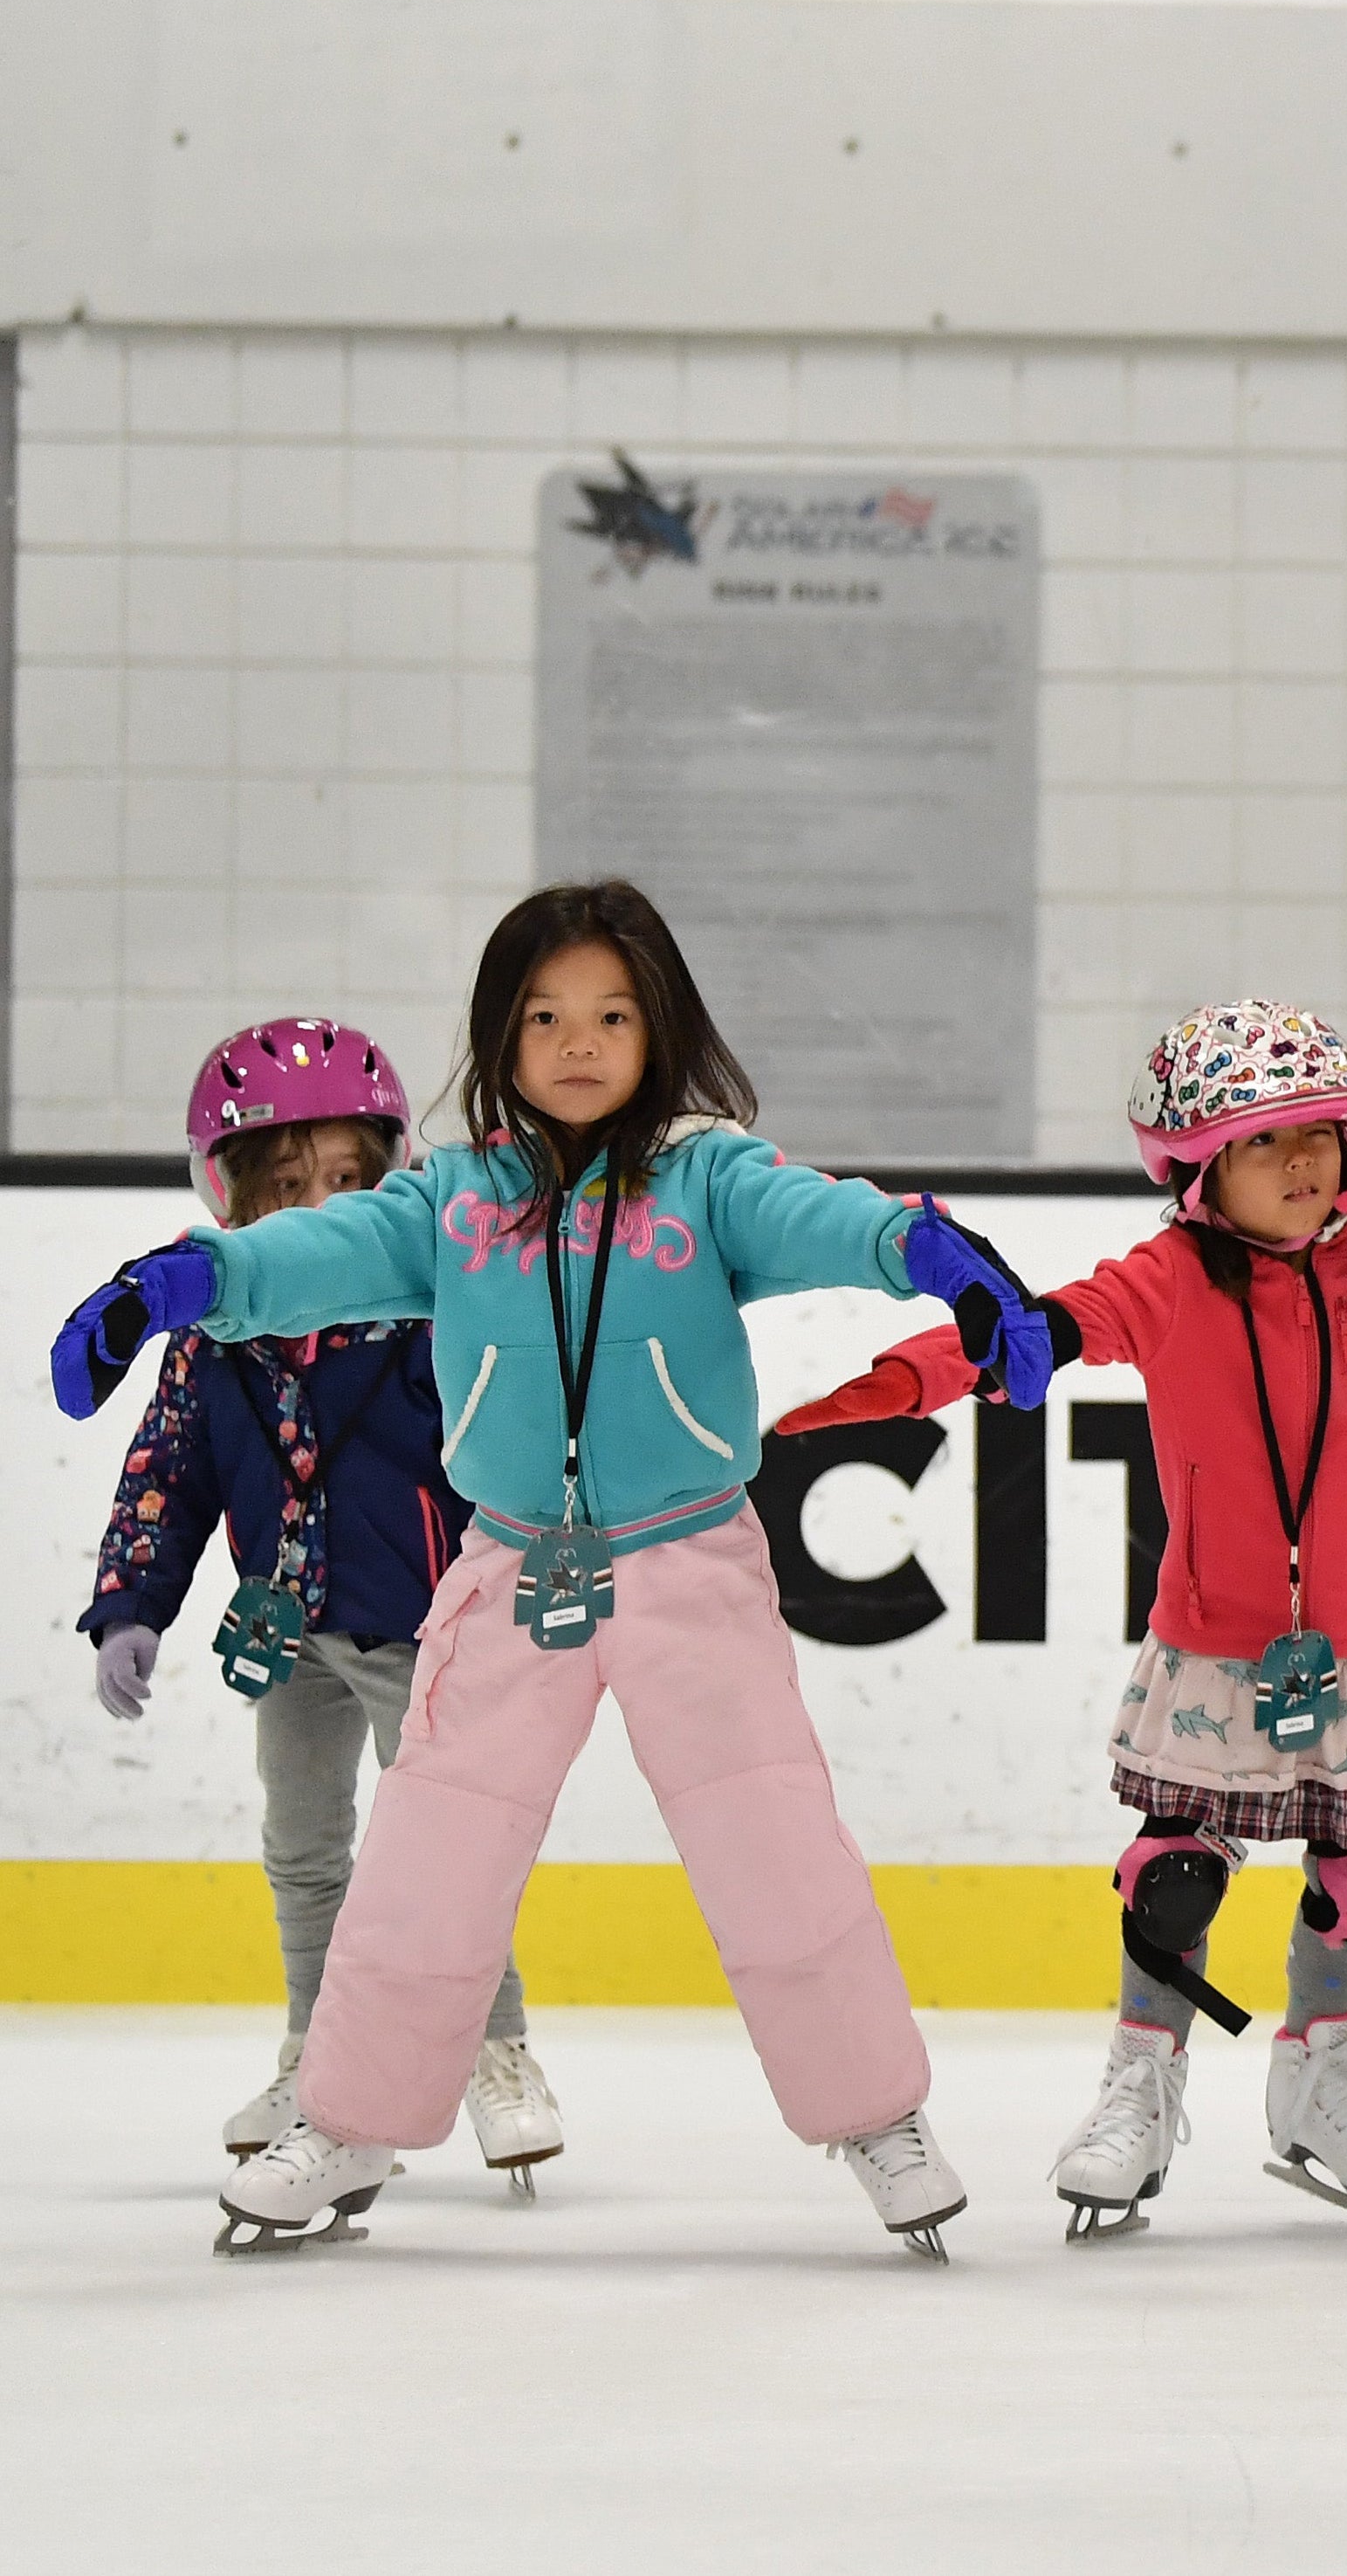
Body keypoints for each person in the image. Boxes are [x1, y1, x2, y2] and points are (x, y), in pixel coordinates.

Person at [54, 878, 1057, 2260]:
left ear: (660, 1028)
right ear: (500, 1034)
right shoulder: (457, 1198)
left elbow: (828, 1219)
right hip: (512, 1565)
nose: (577, 1040)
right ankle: (349, 2116)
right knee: (426, 1856)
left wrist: (928, 1253)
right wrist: (186, 1280)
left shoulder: (710, 1179)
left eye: (610, 1012)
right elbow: (321, 1250)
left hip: (689, 1557)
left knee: (774, 1844)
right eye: (543, 1015)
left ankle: (875, 2114)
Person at [770, 1000, 1347, 2240]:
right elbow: (1017, 1341)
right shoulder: (1162, 1281)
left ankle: (1319, 2070)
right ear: (1200, 1165)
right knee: (1173, 1879)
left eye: (1323, 1132)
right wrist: (851, 1401)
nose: (1306, 1160)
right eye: (1269, 1140)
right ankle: (1141, 2083)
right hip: (1218, 1642)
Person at [81, 1021, 551, 2187]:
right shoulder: (209, 1333)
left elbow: (511, 1442)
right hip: (285, 1626)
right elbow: (167, 1469)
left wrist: (522, 1569)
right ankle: (314, 2048)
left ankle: (497, 2049)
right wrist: (129, 1602)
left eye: (347, 1181)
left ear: (390, 1183)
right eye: (286, 1184)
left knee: (446, 1846)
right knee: (303, 1843)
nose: (318, 1209)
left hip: (421, 1626)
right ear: (230, 1193)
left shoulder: (439, 1314)